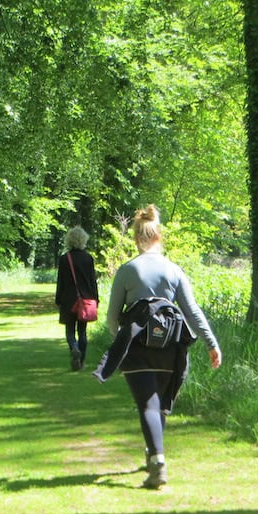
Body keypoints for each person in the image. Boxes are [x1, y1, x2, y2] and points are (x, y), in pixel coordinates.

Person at [101, 204, 222, 489]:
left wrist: (122, 340)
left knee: (147, 405)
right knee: (159, 407)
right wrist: (211, 343)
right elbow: (192, 312)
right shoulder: (174, 270)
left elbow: (111, 317)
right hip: (172, 349)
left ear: (136, 238)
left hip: (138, 348)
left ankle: (157, 461)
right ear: (159, 236)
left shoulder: (128, 270)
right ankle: (153, 453)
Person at [55, 226, 99, 371]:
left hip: (68, 300)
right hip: (86, 300)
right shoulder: (88, 258)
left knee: (69, 331)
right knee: (82, 331)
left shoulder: (64, 259)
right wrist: (96, 299)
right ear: (83, 240)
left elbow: (60, 281)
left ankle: (74, 348)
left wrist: (58, 299)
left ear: (69, 240)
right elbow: (93, 281)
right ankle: (81, 361)